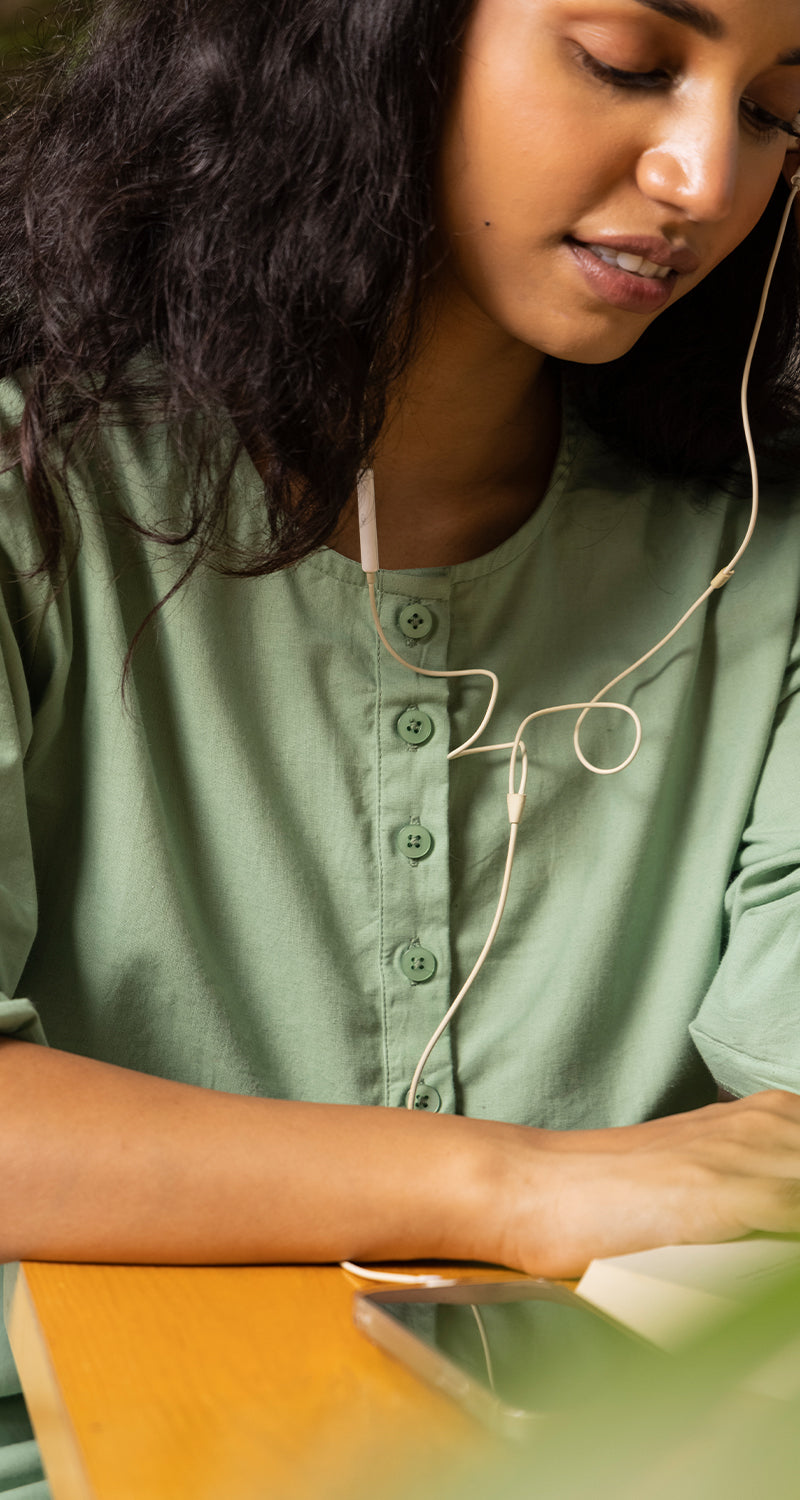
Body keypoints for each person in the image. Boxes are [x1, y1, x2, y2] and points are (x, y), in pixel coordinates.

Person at [2, 0, 800, 1491]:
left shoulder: (764, 560)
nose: (707, 177)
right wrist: (518, 1187)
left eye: (778, 111)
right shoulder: (27, 493)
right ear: (373, 40)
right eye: (628, 62)